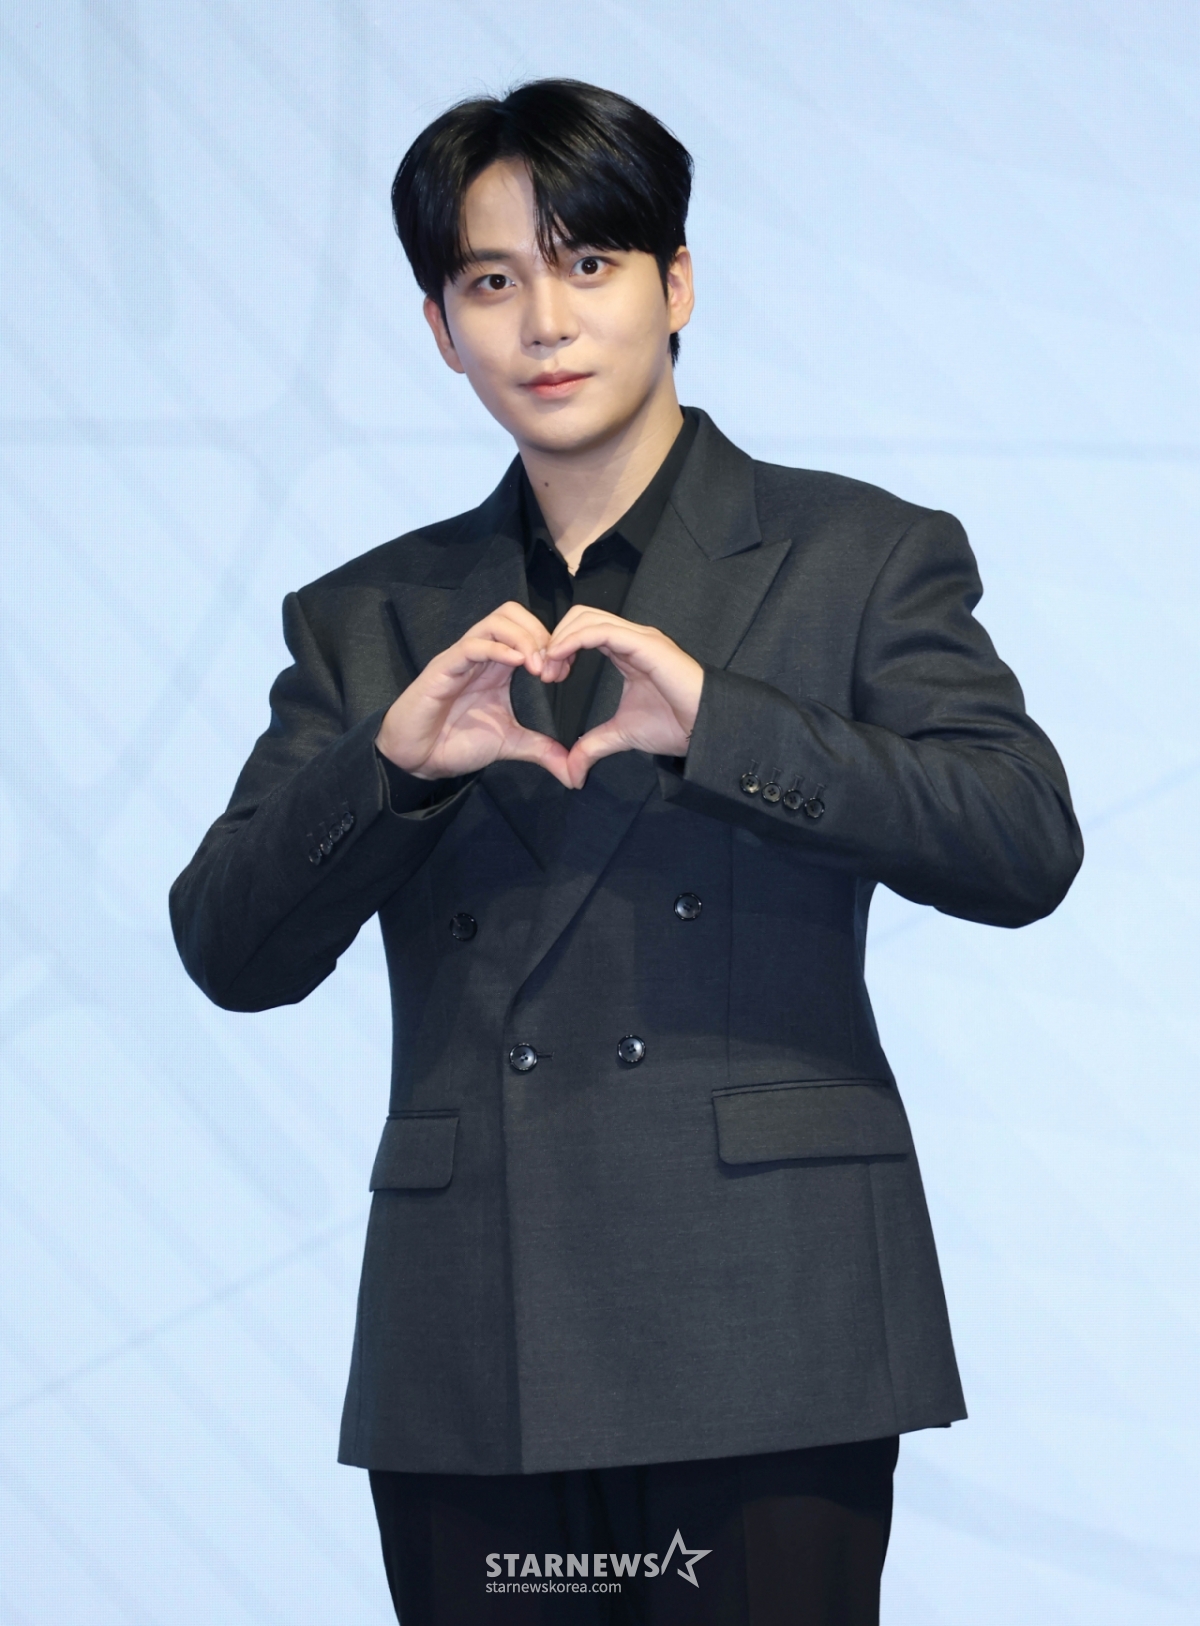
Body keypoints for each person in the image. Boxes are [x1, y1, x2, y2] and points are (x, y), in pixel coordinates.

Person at [170, 78, 1083, 1624]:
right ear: (439, 326)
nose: (544, 320)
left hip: (771, 1319)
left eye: (589, 261)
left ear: (678, 281)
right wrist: (393, 765)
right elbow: (228, 947)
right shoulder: (371, 619)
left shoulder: (858, 553)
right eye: (491, 278)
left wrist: (726, 722)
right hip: (478, 1334)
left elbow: (1021, 837)